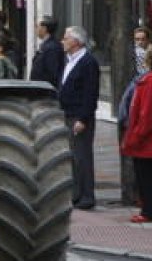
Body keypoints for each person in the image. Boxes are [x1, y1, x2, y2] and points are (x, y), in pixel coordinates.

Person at [120, 45, 152, 223]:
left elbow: (147, 113)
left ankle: (149, 211)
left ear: (149, 61)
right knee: (148, 175)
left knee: (145, 176)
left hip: (146, 140)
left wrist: (136, 135)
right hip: (150, 138)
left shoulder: (150, 81)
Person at [60, 25, 101, 210]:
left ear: (76, 42)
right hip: (67, 113)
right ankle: (76, 193)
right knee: (73, 157)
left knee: (82, 156)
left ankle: (87, 195)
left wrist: (83, 119)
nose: (63, 41)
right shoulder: (69, 60)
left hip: (78, 115)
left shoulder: (88, 62)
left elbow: (90, 93)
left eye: (66, 38)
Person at [29, 15, 66, 89]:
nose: (35, 29)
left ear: (44, 28)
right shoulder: (46, 45)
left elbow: (52, 73)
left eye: (37, 26)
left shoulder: (52, 47)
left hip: (45, 90)